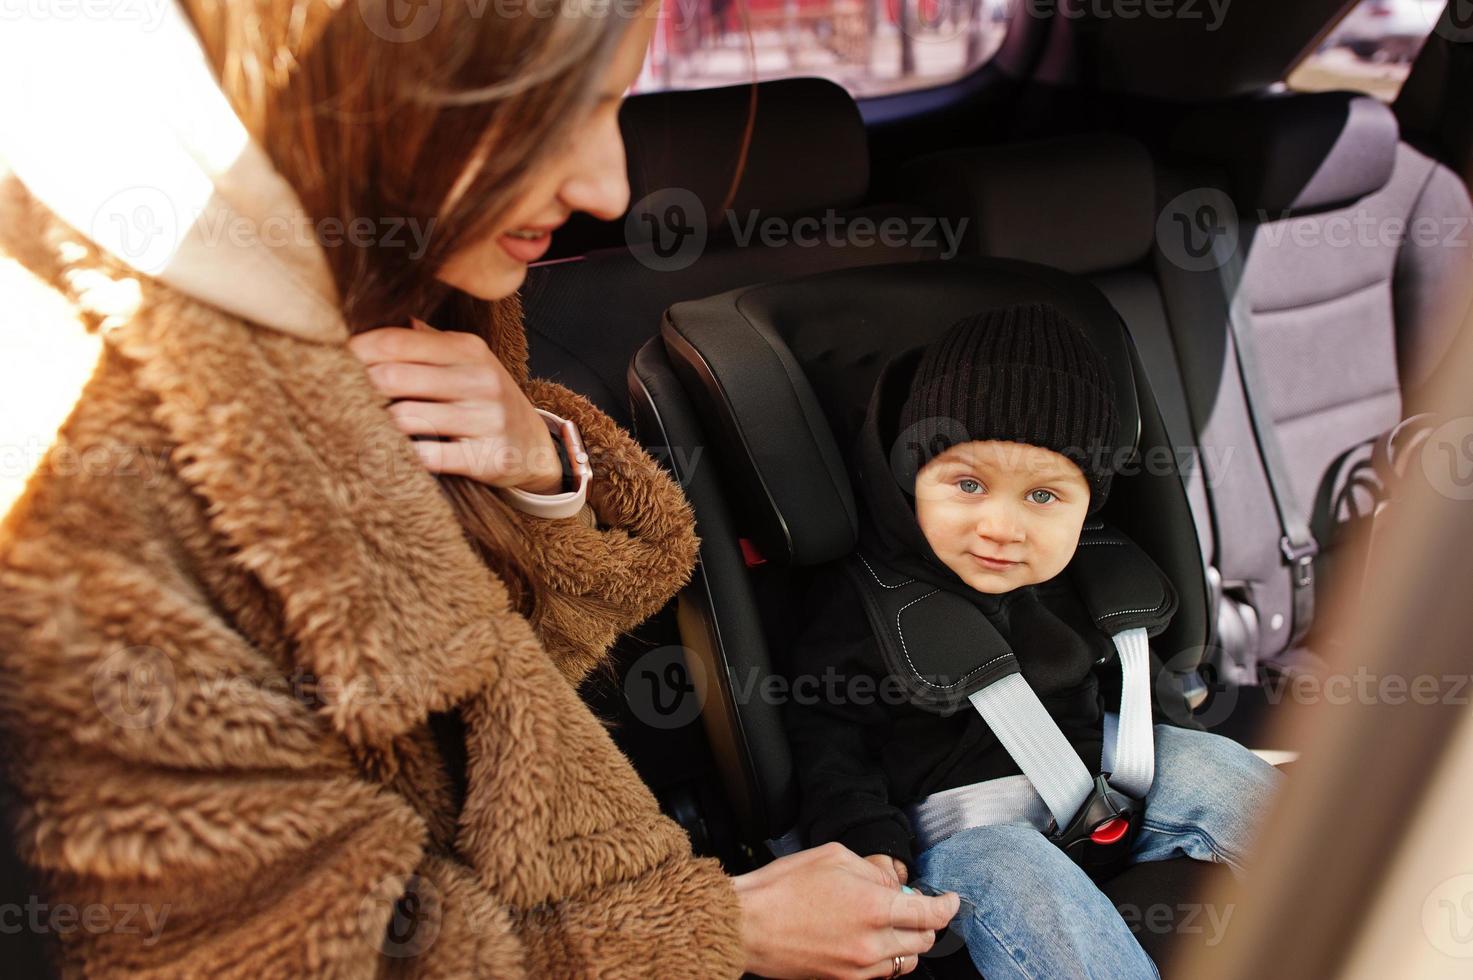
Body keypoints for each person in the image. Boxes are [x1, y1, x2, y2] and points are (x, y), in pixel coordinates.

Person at [0, 1, 956, 976]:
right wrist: (721, 929)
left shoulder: (390, 295)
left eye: (615, 104)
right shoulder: (83, 466)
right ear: (376, 71)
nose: (609, 183)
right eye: (555, 110)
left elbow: (468, 706)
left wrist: (536, 469)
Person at [785, 303, 1286, 979]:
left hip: (1105, 789)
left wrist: (1171, 734)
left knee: (1223, 773)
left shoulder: (1098, 576)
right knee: (1015, 873)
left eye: (1044, 498)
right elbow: (827, 741)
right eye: (966, 485)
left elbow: (1137, 688)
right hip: (956, 841)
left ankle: (1373, 921)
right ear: (911, 479)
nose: (1001, 526)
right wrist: (867, 848)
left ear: (1090, 504)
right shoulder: (867, 603)